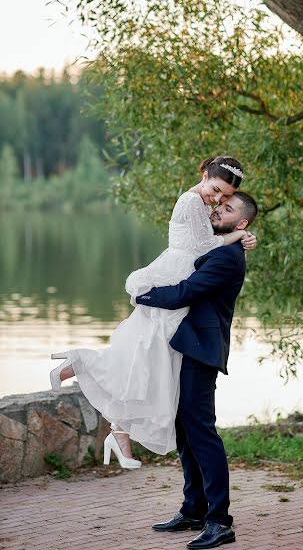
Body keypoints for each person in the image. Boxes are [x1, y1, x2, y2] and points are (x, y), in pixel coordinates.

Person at [50, 157, 256, 468]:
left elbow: (206, 243)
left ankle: (117, 429)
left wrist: (238, 234)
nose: (217, 199)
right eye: (216, 191)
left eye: (225, 198)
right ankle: (84, 366)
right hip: (173, 275)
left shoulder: (201, 203)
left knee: (148, 353)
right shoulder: (190, 200)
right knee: (148, 351)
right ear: (204, 175)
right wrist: (239, 235)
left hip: (179, 275)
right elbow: (204, 245)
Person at [135, 190, 258, 549]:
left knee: (201, 431)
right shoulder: (219, 246)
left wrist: (142, 294)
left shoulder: (227, 259)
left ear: (243, 222)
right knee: (185, 429)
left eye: (228, 207)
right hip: (188, 346)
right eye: (219, 204)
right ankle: (193, 508)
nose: (219, 209)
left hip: (202, 351)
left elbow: (185, 292)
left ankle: (219, 521)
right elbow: (195, 244)